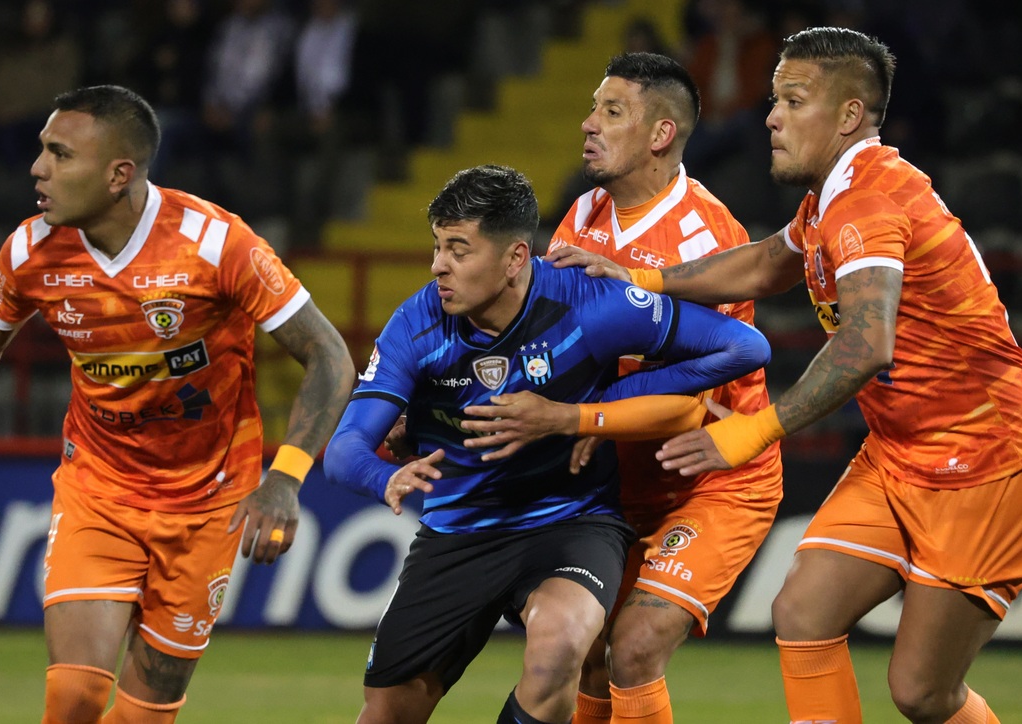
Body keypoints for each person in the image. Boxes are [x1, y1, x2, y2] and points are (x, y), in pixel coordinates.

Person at [551, 27, 1022, 724]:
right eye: (773, 100)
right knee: (801, 611)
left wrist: (753, 432)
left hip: (990, 466)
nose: (770, 117)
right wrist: (643, 278)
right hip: (901, 456)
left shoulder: (870, 200)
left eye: (793, 101)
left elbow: (866, 342)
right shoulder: (831, 196)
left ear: (848, 117)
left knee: (922, 693)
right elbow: (767, 264)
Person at [0, 85, 355, 724]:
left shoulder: (216, 245)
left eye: (59, 154)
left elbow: (330, 357)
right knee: (74, 697)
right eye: (42, 152)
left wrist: (286, 477)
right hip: (99, 489)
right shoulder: (31, 250)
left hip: (210, 499)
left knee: (142, 716)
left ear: (117, 175)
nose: (37, 169)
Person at [322, 164, 771, 724]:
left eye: (459, 249)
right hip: (461, 529)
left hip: (573, 520)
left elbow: (745, 348)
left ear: (514, 259)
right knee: (391, 709)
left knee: (561, 647)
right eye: (438, 246)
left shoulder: (589, 302)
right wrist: (383, 476)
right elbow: (344, 448)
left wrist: (585, 414)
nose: (439, 266)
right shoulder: (417, 324)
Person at [459, 51, 784, 724]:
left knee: (634, 647)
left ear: (661, 134)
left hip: (713, 479)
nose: (588, 124)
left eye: (611, 111)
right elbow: (556, 337)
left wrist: (582, 416)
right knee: (592, 652)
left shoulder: (706, 237)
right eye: (592, 108)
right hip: (617, 477)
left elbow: (698, 398)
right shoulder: (583, 212)